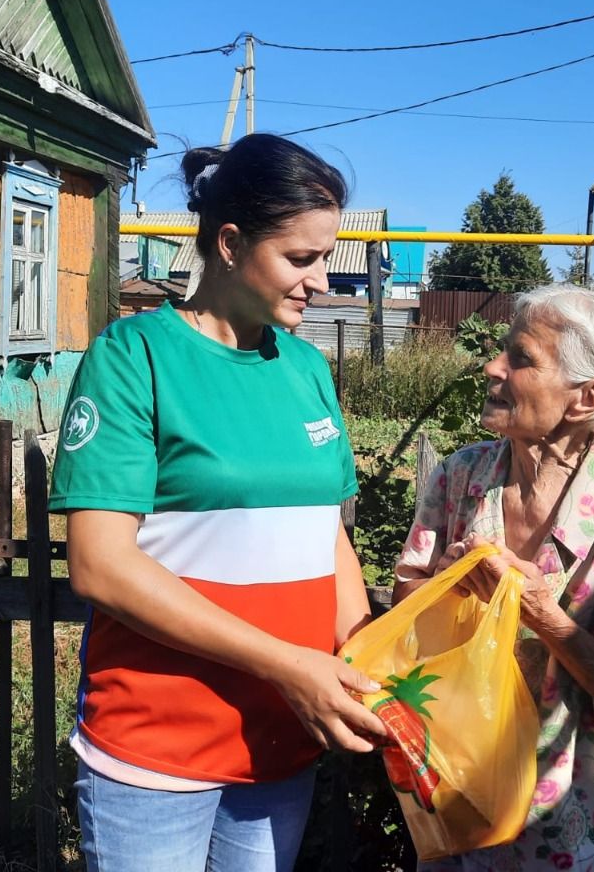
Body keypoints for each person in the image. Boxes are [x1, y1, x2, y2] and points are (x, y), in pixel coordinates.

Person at [49, 133, 387, 872]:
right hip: (157, 745)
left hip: (283, 744)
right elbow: (99, 567)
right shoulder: (133, 356)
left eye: (325, 258)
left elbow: (326, 538)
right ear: (229, 244)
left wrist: (363, 662)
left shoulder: (305, 368)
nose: (322, 281)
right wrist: (289, 664)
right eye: (301, 259)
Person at [393, 284, 594, 871]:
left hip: (589, 793)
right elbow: (409, 598)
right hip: (469, 766)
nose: (492, 367)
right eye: (502, 351)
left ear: (586, 397)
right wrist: (452, 590)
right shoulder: (462, 476)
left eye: (520, 357)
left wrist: (543, 614)